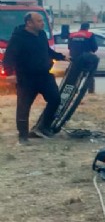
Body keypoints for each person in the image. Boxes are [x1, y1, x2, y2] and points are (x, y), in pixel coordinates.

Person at [3, 12, 67, 144]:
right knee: (23, 107)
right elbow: (9, 57)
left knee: (55, 99)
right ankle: (23, 137)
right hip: (26, 79)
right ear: (29, 23)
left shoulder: (42, 34)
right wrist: (10, 74)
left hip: (44, 76)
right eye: (39, 21)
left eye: (42, 20)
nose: (42, 23)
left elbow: (48, 51)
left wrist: (61, 56)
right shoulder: (18, 38)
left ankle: (43, 127)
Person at [67, 22, 99, 93]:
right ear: (87, 27)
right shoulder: (90, 35)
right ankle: (90, 91)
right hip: (86, 58)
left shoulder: (72, 35)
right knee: (89, 75)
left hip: (74, 58)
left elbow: (69, 47)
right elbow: (95, 47)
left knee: (75, 75)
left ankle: (74, 91)